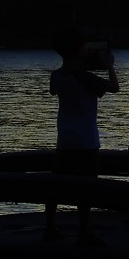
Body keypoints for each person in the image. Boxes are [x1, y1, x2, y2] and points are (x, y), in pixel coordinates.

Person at [45, 29, 117, 242]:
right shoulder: (86, 78)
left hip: (64, 140)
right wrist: (110, 65)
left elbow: (53, 91)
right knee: (87, 187)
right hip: (86, 141)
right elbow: (114, 87)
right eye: (85, 47)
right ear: (78, 51)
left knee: (57, 185)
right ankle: (84, 230)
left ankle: (50, 227)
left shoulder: (56, 76)